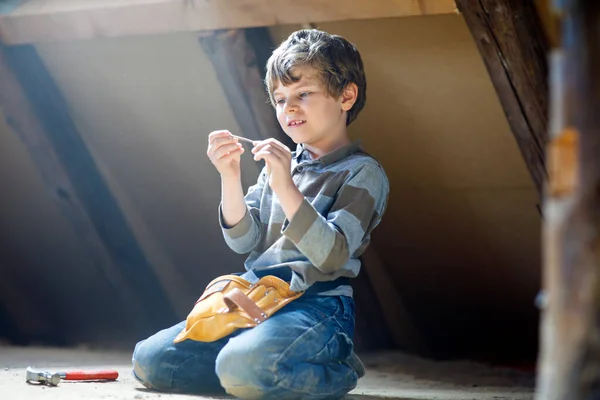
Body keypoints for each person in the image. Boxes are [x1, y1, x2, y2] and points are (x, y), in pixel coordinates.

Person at [132, 28, 389, 400]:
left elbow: (332, 255)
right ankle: (247, 369)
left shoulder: (362, 173)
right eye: (281, 100)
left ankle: (337, 369)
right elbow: (243, 241)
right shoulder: (279, 167)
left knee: (244, 366)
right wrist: (230, 176)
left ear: (346, 95)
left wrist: (286, 186)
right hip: (255, 298)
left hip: (318, 305)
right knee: (151, 361)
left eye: (303, 94)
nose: (290, 109)